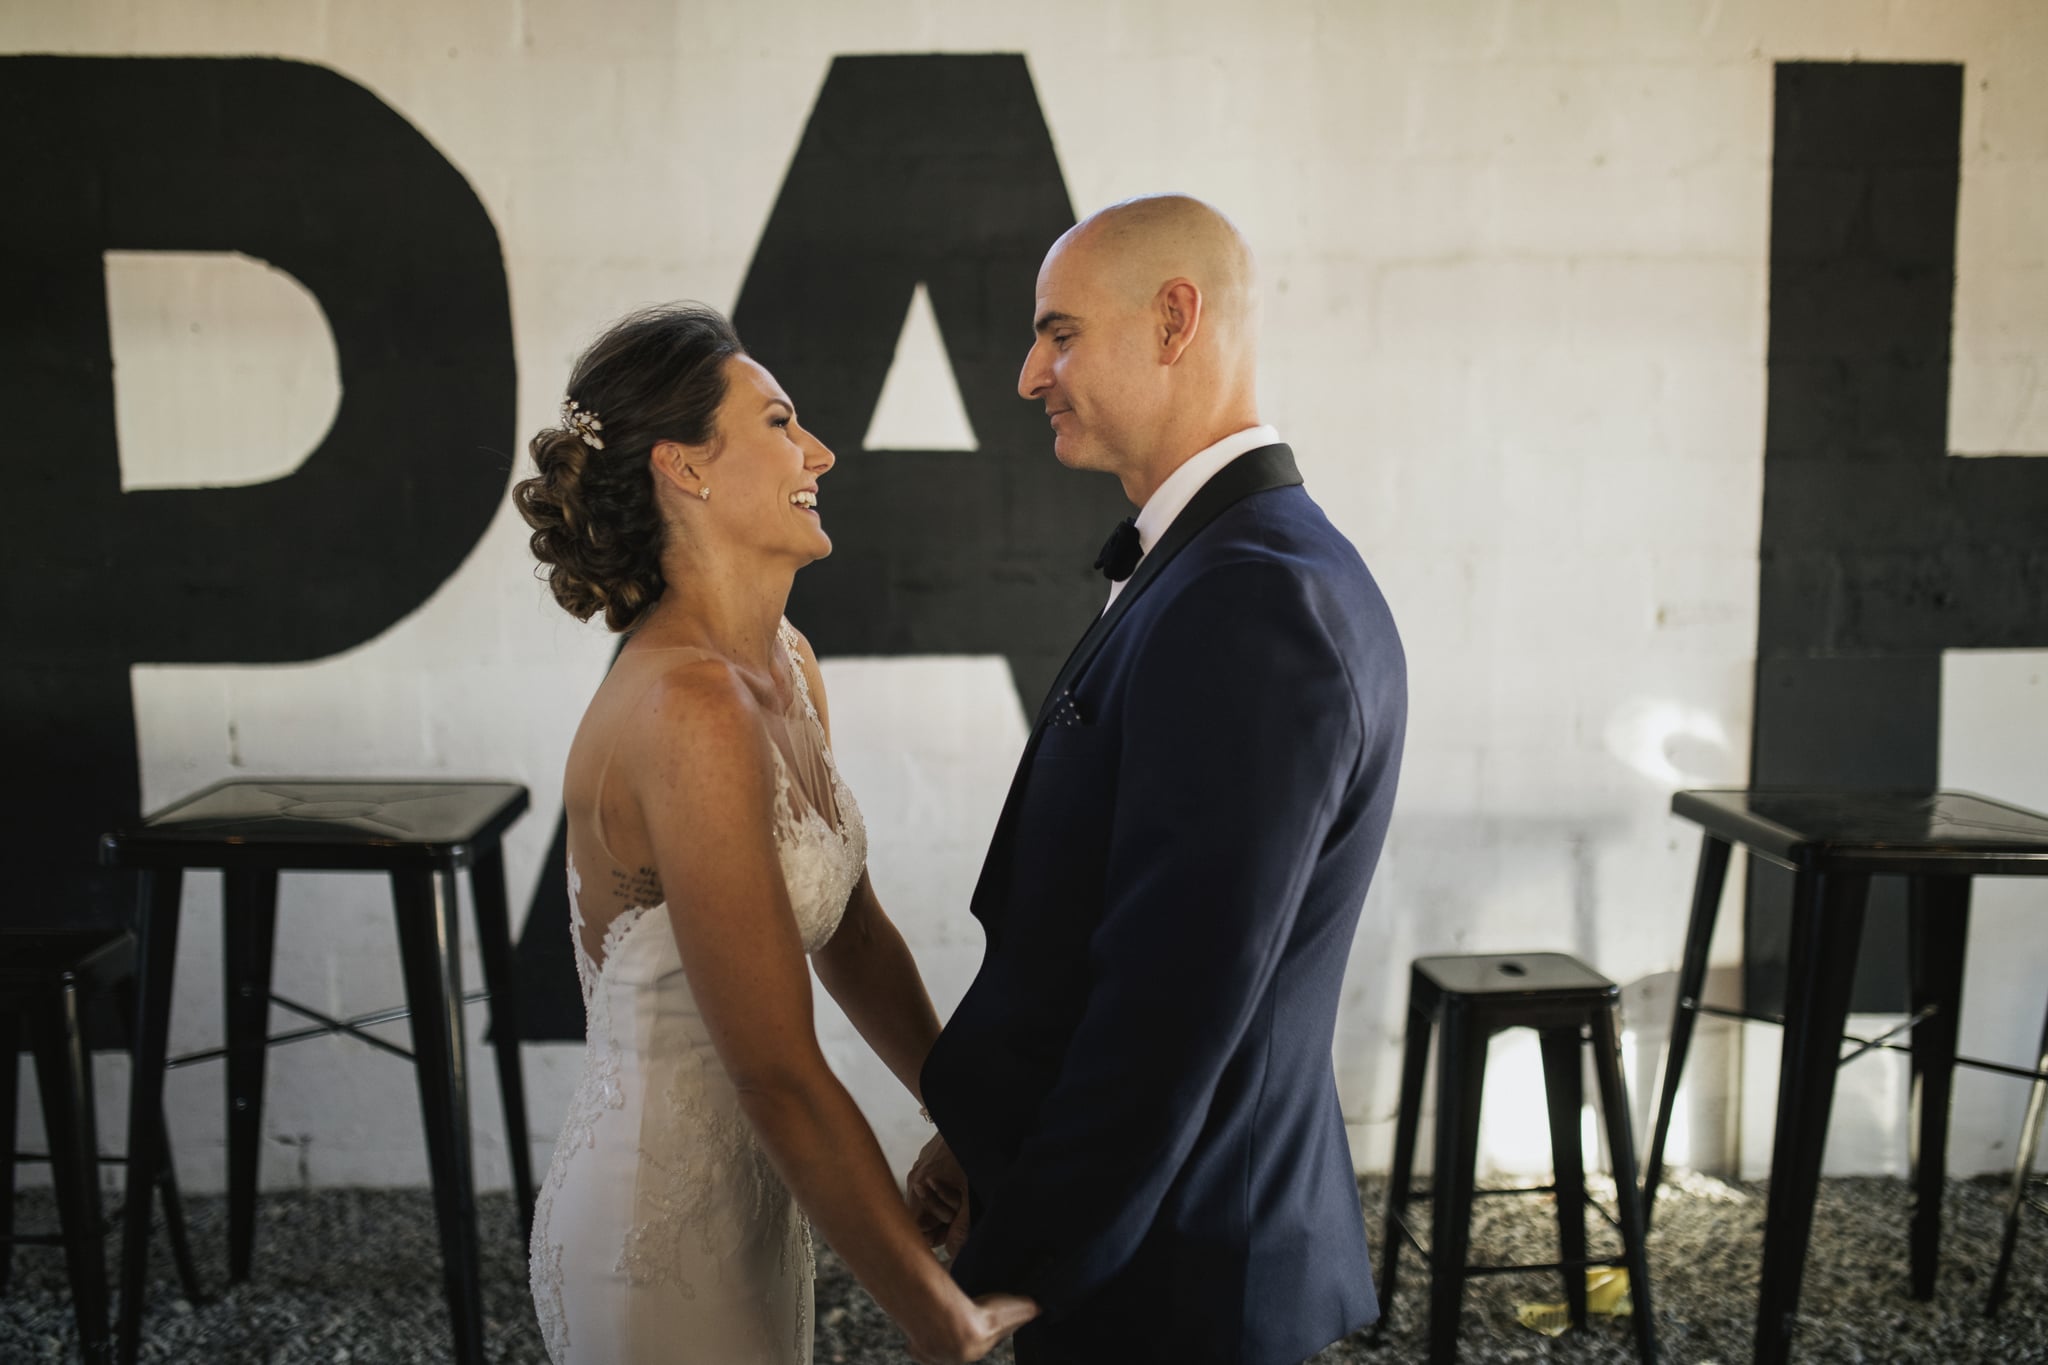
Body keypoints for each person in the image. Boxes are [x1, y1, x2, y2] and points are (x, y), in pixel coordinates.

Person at [911, 195, 1408, 1364]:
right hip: (1169, 1244)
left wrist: (1017, 1264)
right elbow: (1098, 927)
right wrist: (991, 1136)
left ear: (1174, 318)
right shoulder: (1229, 563)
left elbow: (1168, 1002)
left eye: (1060, 333)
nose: (1031, 373)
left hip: (1176, 1284)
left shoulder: (1251, 600)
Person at [516, 304, 1034, 1365]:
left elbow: (850, 930)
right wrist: (940, 1314)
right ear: (684, 468)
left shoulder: (785, 662)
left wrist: (972, 1127)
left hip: (757, 1198)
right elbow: (776, 1070)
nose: (820, 451)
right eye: (780, 422)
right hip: (651, 1233)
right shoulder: (688, 710)